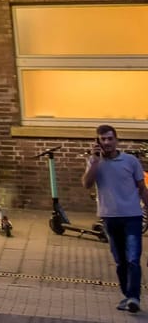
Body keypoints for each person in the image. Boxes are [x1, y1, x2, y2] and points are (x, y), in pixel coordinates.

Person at [83, 124, 146, 313]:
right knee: (120, 260)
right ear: (98, 142)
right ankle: (128, 295)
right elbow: (86, 184)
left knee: (133, 258)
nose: (107, 143)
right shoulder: (94, 163)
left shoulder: (130, 161)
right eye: (103, 139)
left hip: (132, 216)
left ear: (117, 140)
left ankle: (134, 297)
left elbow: (141, 187)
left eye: (110, 139)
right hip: (110, 217)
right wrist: (94, 161)